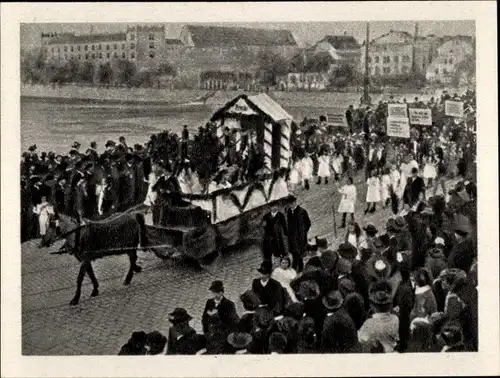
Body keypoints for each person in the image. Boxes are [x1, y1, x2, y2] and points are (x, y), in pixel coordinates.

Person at [358, 282, 399, 353]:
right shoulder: (395, 319)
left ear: (373, 306)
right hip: (391, 352)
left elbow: (361, 339)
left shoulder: (369, 323)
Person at [286, 198, 311, 272]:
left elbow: (308, 223)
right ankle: (294, 269)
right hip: (292, 238)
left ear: (295, 202)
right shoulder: (289, 212)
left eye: (292, 203)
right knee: (294, 254)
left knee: (300, 255)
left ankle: (300, 269)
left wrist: (303, 232)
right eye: (289, 203)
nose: (290, 205)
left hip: (300, 237)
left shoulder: (302, 211)